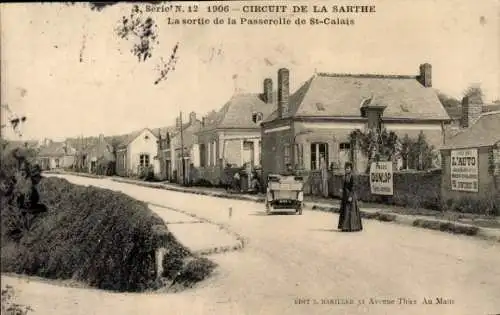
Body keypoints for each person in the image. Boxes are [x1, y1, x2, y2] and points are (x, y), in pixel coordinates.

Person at [338, 162, 363, 232]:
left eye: (348, 168)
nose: (347, 169)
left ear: (351, 169)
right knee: (345, 211)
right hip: (345, 195)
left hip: (350, 195)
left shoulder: (352, 176)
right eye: (346, 168)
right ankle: (345, 227)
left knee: (351, 211)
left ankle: (353, 227)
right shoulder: (345, 176)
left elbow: (354, 186)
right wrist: (341, 190)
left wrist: (351, 196)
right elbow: (344, 185)